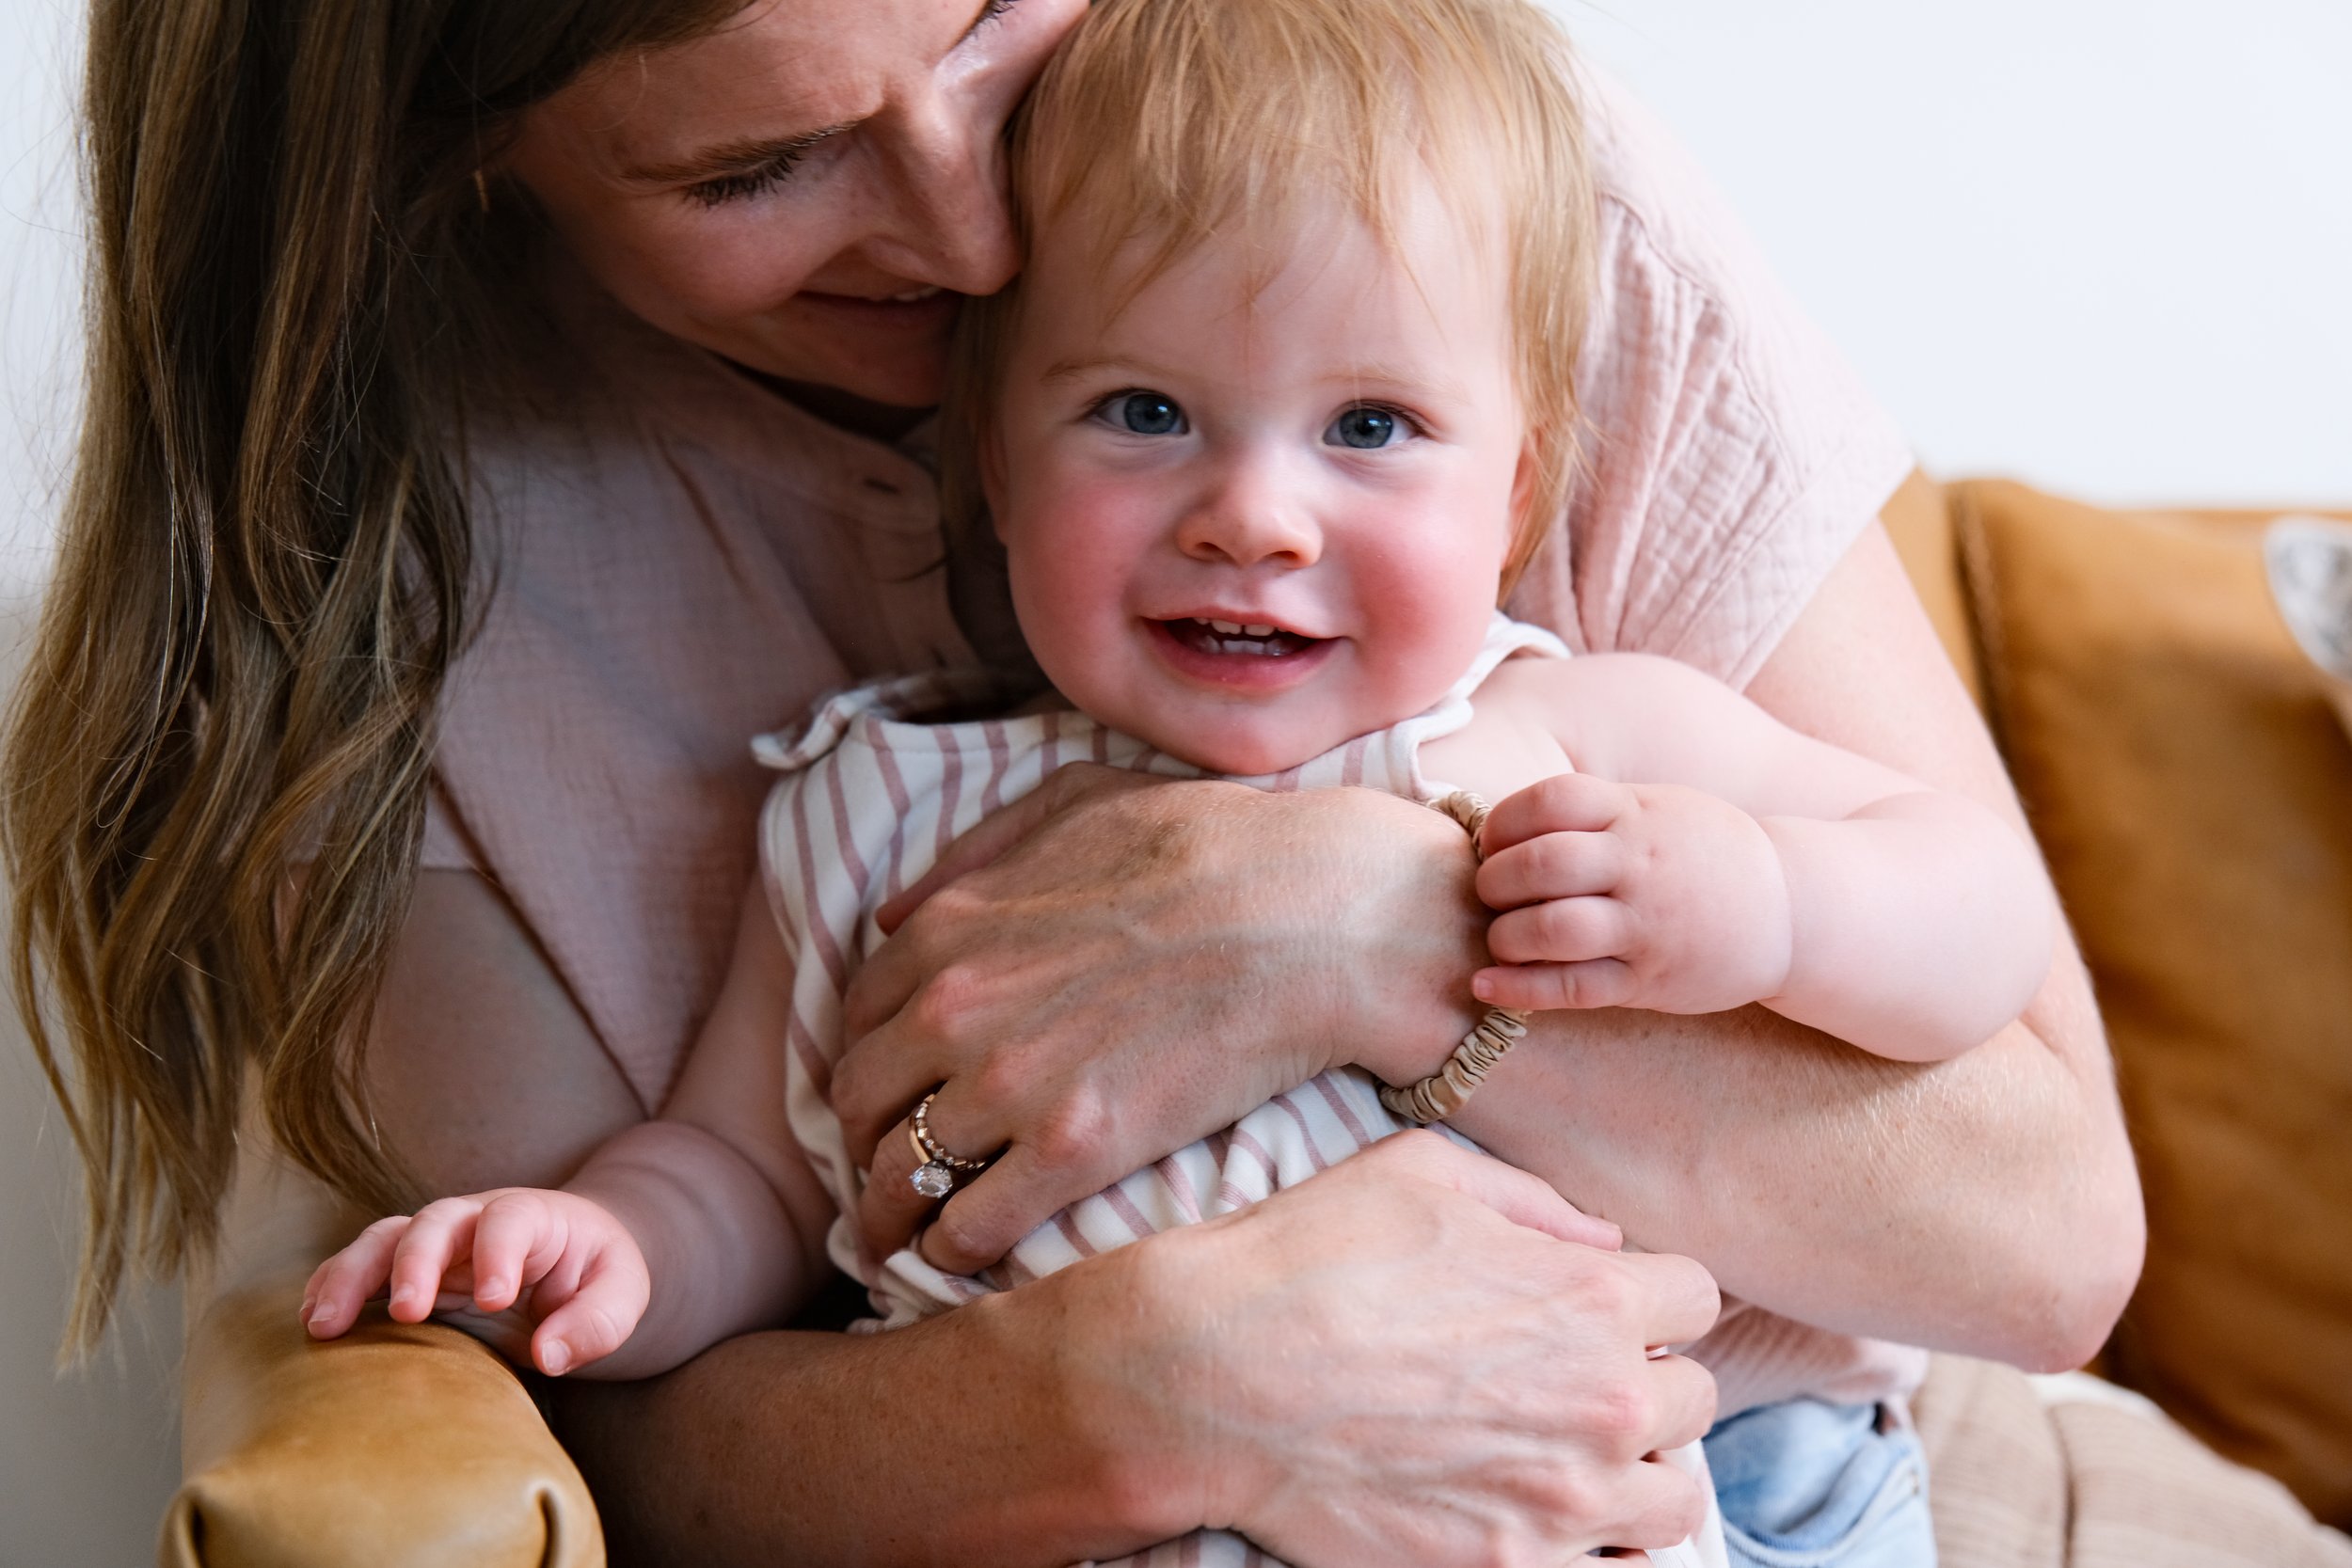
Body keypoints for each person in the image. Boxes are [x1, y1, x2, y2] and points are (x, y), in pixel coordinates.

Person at [4, 0, 2141, 1562]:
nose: (969, 224)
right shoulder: (822, 792)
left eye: (994, 23)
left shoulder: (1447, 250)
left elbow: (2044, 1227)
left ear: (1526, 453)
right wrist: (1133, 1392)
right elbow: (680, 1316)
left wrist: (1373, 940)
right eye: (757, 168)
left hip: (1749, 1483)